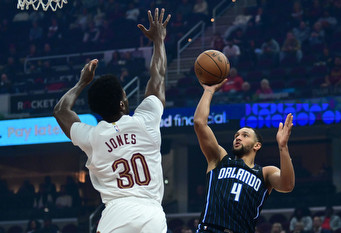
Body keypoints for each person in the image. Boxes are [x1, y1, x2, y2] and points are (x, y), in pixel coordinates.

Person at [53, 8, 171, 233]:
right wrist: (159, 41)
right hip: (152, 214)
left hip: (116, 213)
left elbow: (60, 110)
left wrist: (81, 83)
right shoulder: (145, 121)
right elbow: (158, 75)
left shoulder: (92, 137)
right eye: (124, 96)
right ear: (122, 103)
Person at [193, 79, 295, 233]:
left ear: (257, 145)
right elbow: (200, 123)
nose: (238, 137)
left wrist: (283, 147)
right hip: (210, 229)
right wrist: (209, 90)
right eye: (236, 135)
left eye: (245, 135)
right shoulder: (219, 159)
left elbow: (287, 185)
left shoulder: (265, 173)